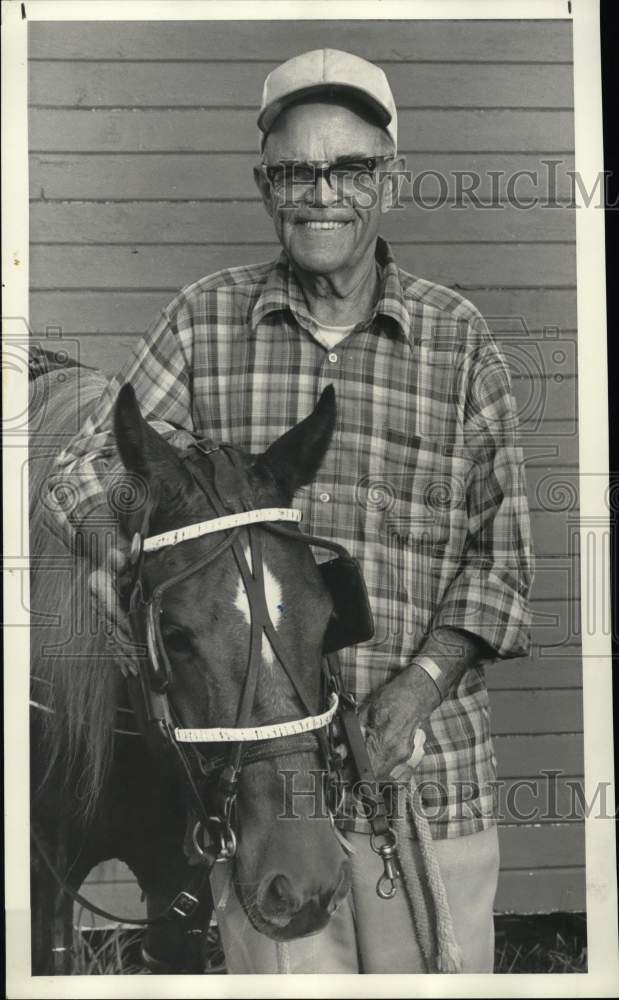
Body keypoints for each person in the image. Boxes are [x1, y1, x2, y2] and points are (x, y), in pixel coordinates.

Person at [46, 48, 533, 973]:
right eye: (294, 172)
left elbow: (500, 565)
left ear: (390, 179)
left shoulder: (459, 343)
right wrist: (113, 551)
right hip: (259, 806)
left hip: (425, 787)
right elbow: (86, 468)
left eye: (350, 168)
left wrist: (417, 688)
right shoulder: (203, 322)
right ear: (263, 187)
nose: (322, 194)